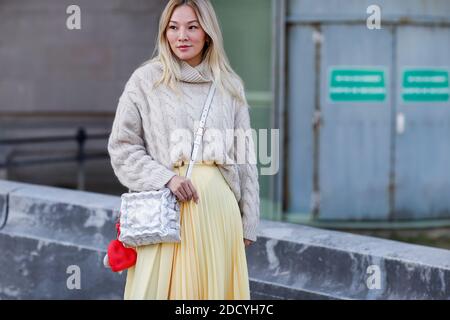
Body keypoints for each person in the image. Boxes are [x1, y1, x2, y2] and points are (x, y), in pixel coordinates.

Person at [107, 0, 260, 300]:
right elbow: (122, 147)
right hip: (166, 212)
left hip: (218, 216)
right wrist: (166, 178)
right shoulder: (146, 81)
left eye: (192, 27)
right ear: (164, 33)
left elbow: (245, 158)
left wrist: (249, 219)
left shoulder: (229, 86)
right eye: (173, 28)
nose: (182, 36)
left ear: (208, 33)